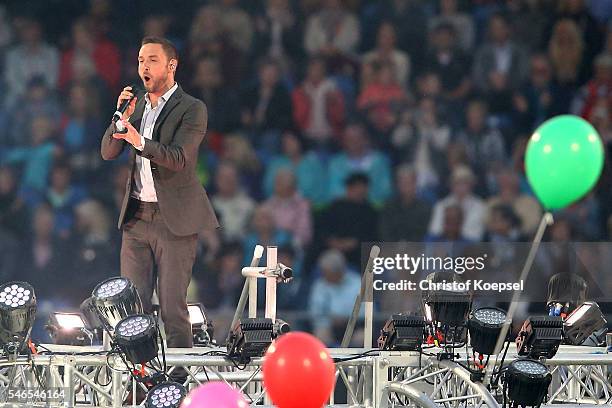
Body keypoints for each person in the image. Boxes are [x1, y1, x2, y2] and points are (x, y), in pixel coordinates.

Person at [100, 36, 219, 353]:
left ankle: (177, 382)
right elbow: (108, 152)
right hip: (137, 217)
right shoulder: (135, 105)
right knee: (131, 308)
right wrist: (119, 116)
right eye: (140, 60)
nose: (143, 67)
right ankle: (139, 379)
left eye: (152, 60)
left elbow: (179, 158)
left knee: (171, 307)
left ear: (171, 65)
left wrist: (139, 142)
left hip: (173, 220)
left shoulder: (192, 109)